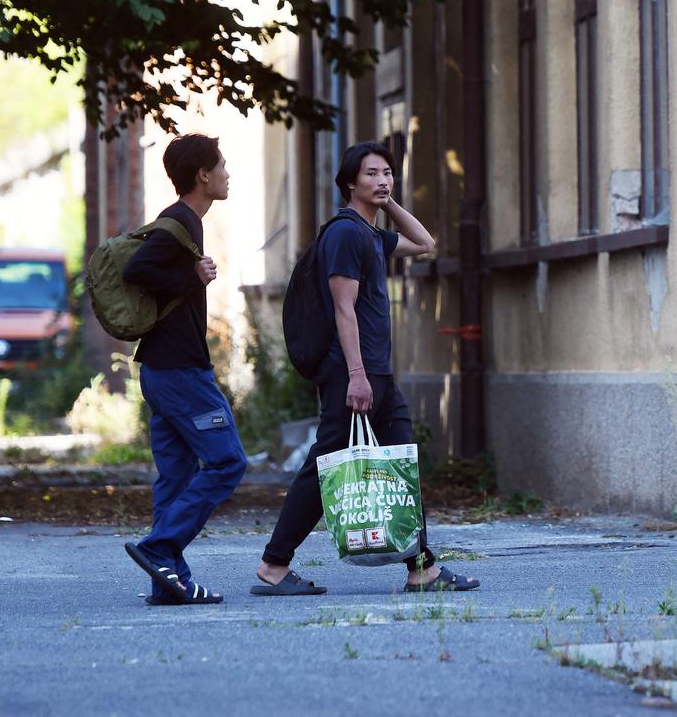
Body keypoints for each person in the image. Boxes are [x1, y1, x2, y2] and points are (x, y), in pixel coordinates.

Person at [253, 140, 479, 596]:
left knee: (399, 466)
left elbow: (425, 242)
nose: (382, 180)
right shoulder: (345, 234)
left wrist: (389, 201)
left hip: (376, 372)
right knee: (325, 467)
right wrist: (356, 375)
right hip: (350, 373)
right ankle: (274, 566)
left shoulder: (371, 234)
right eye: (372, 174)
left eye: (388, 173)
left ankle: (420, 567)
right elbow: (344, 309)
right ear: (349, 182)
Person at [121, 133, 247, 604]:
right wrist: (189, 276)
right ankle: (160, 548)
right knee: (227, 460)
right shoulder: (179, 221)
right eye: (223, 165)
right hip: (178, 371)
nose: (228, 173)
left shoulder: (187, 223)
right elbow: (137, 271)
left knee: (175, 477)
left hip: (162, 369)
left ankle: (168, 583)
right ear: (203, 175)